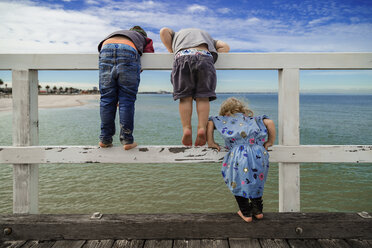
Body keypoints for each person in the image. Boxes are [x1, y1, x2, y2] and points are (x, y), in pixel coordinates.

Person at [206, 97, 276, 222]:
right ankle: (258, 211)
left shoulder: (224, 119)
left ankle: (246, 213)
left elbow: (209, 123)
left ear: (225, 111)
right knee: (256, 181)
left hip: (239, 154)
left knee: (237, 181)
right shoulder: (253, 119)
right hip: (258, 152)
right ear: (243, 110)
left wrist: (211, 142)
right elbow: (270, 122)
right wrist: (270, 141)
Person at [160, 27, 230, 146]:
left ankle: (187, 128)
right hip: (205, 57)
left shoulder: (177, 34)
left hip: (182, 56)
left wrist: (171, 49)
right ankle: (201, 128)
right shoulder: (209, 38)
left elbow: (164, 31)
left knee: (185, 98)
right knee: (203, 97)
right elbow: (225, 47)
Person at [97, 26, 154, 150]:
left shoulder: (118, 33)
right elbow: (149, 57)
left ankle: (105, 139)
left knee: (106, 99)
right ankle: (127, 140)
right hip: (128, 51)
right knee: (126, 100)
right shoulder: (144, 39)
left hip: (105, 48)